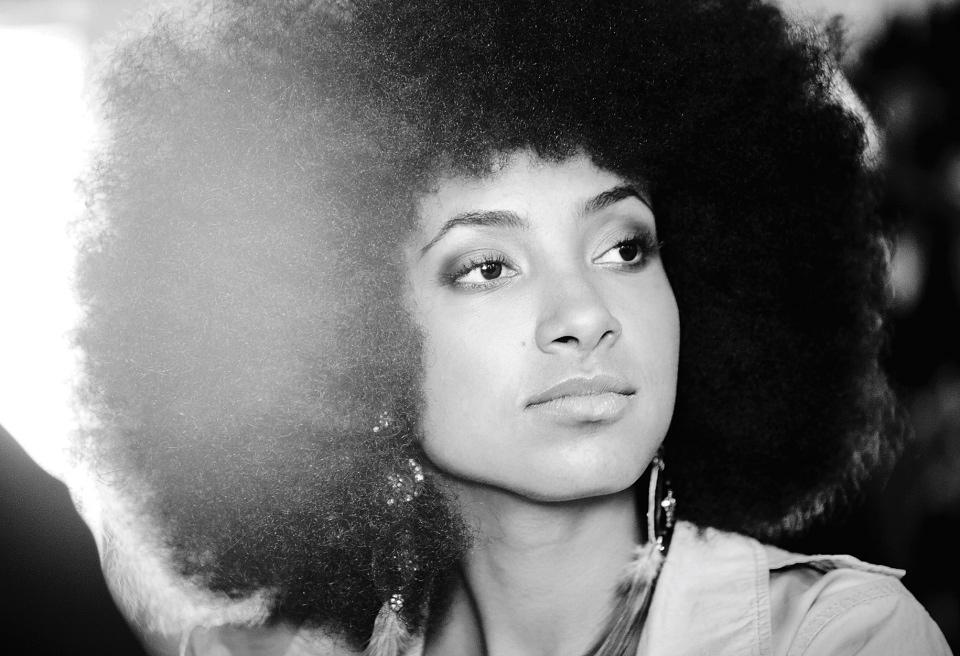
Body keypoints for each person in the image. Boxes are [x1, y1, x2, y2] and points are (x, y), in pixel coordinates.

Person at [64, 0, 952, 654]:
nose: (585, 317)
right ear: (348, 345)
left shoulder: (839, 639)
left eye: (625, 248)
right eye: (488, 266)